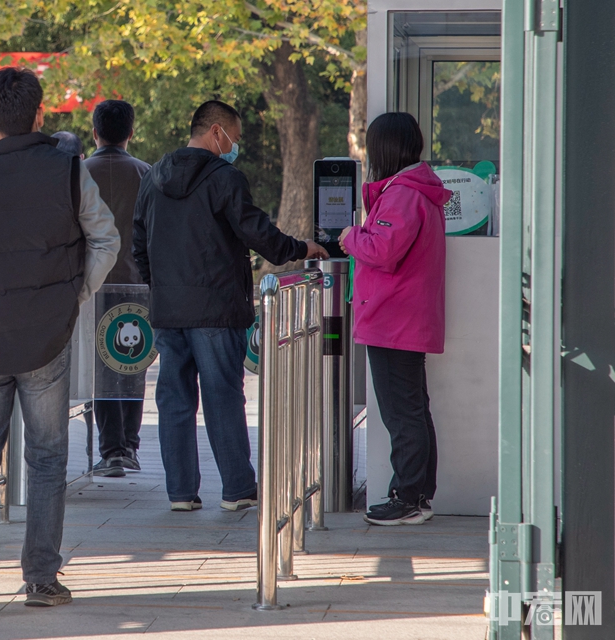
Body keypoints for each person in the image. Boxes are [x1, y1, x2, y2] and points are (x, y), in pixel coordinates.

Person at [0, 67, 119, 618]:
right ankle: (40, 577)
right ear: (41, 114)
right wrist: (75, 295)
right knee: (44, 456)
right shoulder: (68, 170)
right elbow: (105, 237)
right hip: (45, 338)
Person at [132, 100, 328, 512]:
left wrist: (161, 287)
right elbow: (259, 234)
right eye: (233, 138)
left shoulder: (153, 178)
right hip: (215, 308)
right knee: (222, 395)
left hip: (169, 310)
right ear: (216, 131)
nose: (234, 146)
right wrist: (301, 247)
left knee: (175, 399)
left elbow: (138, 244)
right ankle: (237, 489)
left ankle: (181, 493)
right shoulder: (225, 178)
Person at [338, 112, 450, 526]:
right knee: (414, 410)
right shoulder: (417, 190)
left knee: (402, 415)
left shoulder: (402, 193)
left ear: (383, 148)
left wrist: (351, 237)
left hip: (392, 321)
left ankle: (407, 498)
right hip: (406, 319)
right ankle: (418, 494)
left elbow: (382, 250)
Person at [84, 100, 151, 478]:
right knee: (132, 364)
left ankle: (110, 450)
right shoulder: (148, 174)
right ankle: (129, 446)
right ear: (131, 132)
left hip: (93, 287)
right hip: (137, 285)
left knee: (100, 368)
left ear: (95, 132)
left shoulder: (78, 173)